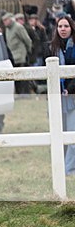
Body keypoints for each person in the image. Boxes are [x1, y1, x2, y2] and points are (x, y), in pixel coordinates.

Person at [50, 15, 75, 175]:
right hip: (57, 96)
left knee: (72, 133)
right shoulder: (52, 47)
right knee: (58, 132)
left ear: (71, 28)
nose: (63, 29)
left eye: (66, 26)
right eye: (60, 26)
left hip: (72, 96)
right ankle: (61, 166)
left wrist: (70, 89)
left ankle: (68, 169)